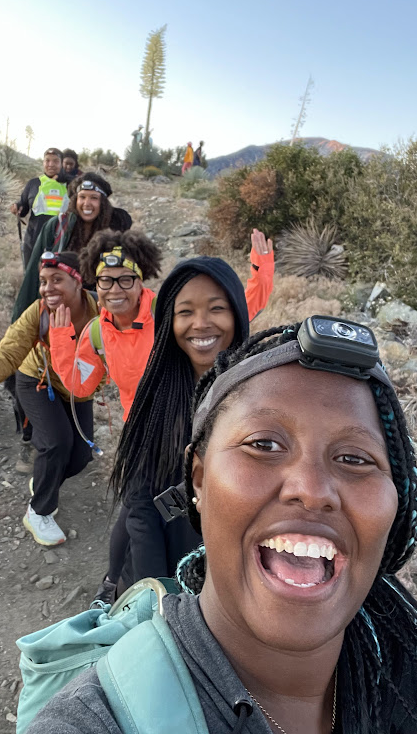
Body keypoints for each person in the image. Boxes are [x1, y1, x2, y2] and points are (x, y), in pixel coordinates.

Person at [28, 321, 417, 734]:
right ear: (198, 477)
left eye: (354, 459)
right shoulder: (95, 719)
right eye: (264, 445)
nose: (311, 490)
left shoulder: (413, 673)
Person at [109, 229, 274, 589]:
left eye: (217, 309)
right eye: (186, 312)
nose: (201, 323)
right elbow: (140, 506)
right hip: (166, 565)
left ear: (236, 314)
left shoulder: (264, 397)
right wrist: (158, 593)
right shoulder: (158, 397)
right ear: (170, 324)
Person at [0, 252, 98, 547]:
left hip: (79, 388)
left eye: (58, 280)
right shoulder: (38, 312)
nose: (47, 288)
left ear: (78, 282)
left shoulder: (100, 311)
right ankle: (38, 511)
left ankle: (45, 479)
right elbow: (8, 352)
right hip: (37, 380)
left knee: (80, 456)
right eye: (43, 282)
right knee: (56, 442)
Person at [50, 229, 162, 421]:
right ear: (97, 285)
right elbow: (80, 386)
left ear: (140, 283)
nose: (115, 290)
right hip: (138, 430)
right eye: (106, 280)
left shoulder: (165, 316)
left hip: (185, 429)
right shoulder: (97, 333)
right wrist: (61, 342)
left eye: (126, 280)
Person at [12, 173, 132, 323]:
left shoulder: (115, 233)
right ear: (75, 200)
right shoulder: (56, 227)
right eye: (82, 197)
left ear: (103, 202)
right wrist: (19, 320)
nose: (87, 203)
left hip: (100, 316)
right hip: (57, 313)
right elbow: (33, 277)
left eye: (93, 198)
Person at [10, 148, 69, 268]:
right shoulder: (33, 183)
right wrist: (17, 207)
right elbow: (24, 207)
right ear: (43, 163)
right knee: (32, 280)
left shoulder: (71, 184)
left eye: (55, 161)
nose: (51, 164)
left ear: (62, 163)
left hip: (62, 243)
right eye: (47, 161)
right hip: (34, 242)